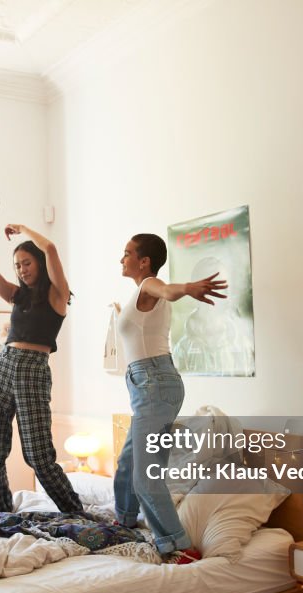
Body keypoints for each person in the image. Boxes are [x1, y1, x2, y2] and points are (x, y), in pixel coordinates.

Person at [115, 233, 227, 561]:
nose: (121, 260)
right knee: (128, 464)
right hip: (149, 385)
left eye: (126, 253)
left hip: (154, 384)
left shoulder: (151, 284)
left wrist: (188, 288)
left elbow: (167, 290)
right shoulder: (140, 293)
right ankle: (124, 520)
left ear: (144, 260)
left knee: (145, 477)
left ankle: (180, 545)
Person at [0, 195, 83, 513]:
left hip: (32, 368)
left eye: (27, 263)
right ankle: (0, 512)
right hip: (3, 364)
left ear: (38, 262)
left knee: (37, 455)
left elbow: (50, 248)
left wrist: (23, 228)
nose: (22, 270)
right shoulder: (16, 295)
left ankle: (74, 511)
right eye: (18, 266)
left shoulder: (57, 295)